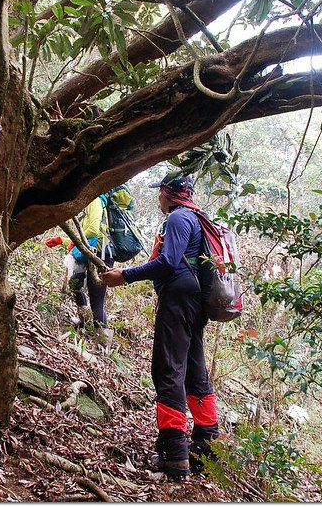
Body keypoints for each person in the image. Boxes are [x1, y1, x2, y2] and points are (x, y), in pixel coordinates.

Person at [100, 174, 219, 477]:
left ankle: (174, 451)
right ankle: (207, 442)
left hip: (179, 298)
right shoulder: (197, 217)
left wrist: (124, 276)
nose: (158, 199)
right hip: (195, 300)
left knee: (168, 368)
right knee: (193, 368)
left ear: (168, 194)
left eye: (160, 193)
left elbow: (167, 262)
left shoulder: (179, 218)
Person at [44, 196, 114, 342]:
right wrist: (60, 241)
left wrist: (74, 240)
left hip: (101, 254)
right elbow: (84, 237)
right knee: (75, 282)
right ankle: (83, 321)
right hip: (89, 252)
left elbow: (93, 231)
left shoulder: (95, 200)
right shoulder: (87, 205)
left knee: (96, 299)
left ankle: (102, 344)